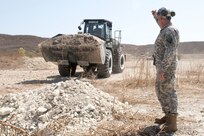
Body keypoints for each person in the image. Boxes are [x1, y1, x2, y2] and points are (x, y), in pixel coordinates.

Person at [151, 7, 180, 132]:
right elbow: (159, 21)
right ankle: (167, 116)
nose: (159, 21)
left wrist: (162, 69)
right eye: (158, 18)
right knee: (160, 90)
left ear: (166, 18)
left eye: (160, 18)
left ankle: (172, 123)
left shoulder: (170, 31)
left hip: (166, 68)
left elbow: (170, 51)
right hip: (162, 67)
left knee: (169, 92)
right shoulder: (164, 28)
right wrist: (154, 16)